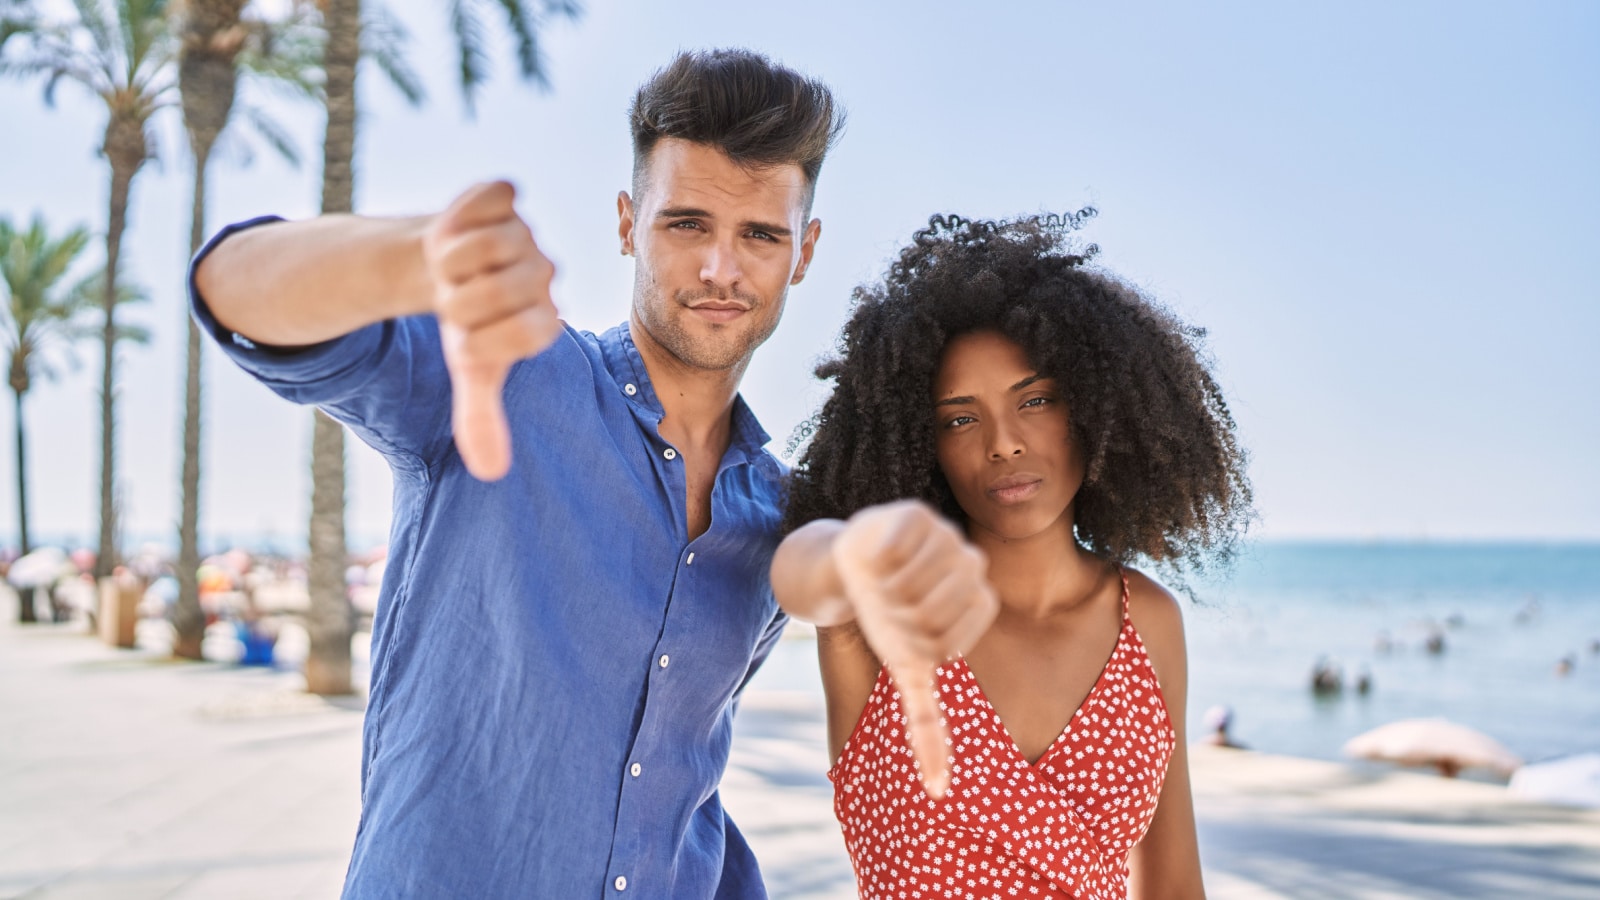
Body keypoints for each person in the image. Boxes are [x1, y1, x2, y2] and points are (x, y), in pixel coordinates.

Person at [189, 49, 843, 899]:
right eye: (686, 224)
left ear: (805, 251)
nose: (722, 268)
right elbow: (231, 296)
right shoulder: (506, 372)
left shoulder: (777, 514)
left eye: (760, 234)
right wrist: (406, 260)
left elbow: (678, 776)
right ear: (625, 222)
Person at [771, 213, 1251, 899]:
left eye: (1037, 400)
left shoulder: (1146, 622)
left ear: (1095, 405)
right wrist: (852, 544)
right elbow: (799, 576)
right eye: (961, 418)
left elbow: (1174, 883)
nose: (1004, 443)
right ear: (920, 443)